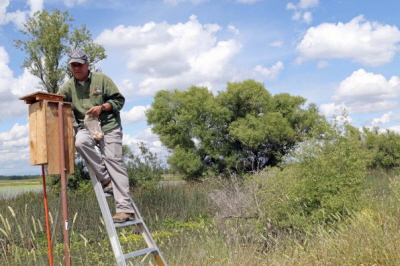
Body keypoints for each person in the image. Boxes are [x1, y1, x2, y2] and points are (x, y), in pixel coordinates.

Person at [58, 50, 134, 223]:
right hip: (87, 126)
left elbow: (119, 101)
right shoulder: (68, 86)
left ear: (87, 64)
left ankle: (125, 210)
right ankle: (106, 180)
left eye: (79, 64)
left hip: (109, 126)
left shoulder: (102, 80)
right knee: (81, 142)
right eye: (73, 65)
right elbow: (57, 99)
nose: (76, 68)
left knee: (113, 160)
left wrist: (103, 107)